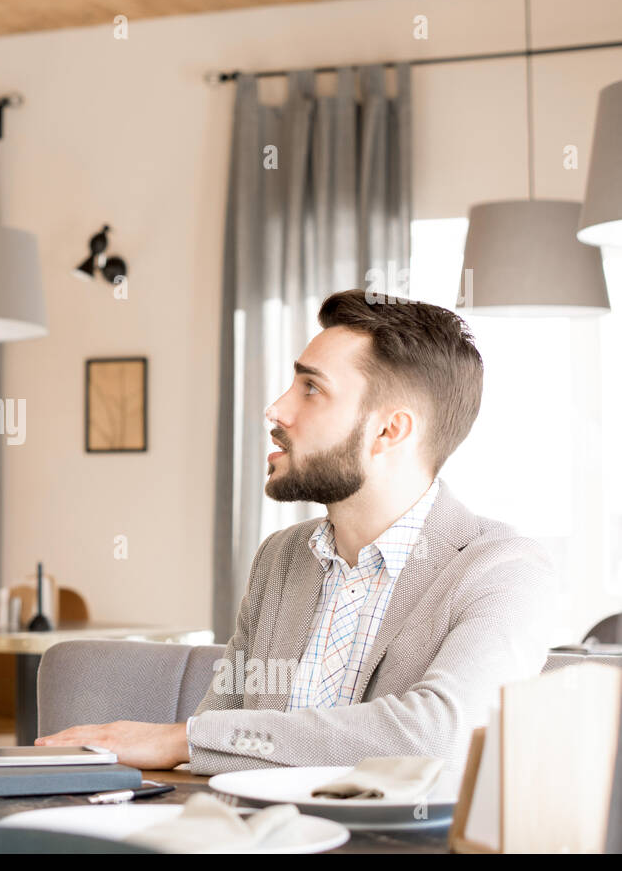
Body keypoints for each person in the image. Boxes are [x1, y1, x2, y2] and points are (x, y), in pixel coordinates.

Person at [38, 290, 556, 774]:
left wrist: (180, 740)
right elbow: (221, 731)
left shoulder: (503, 569)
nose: (277, 409)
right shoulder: (282, 557)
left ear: (388, 431)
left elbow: (437, 736)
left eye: (311, 389)